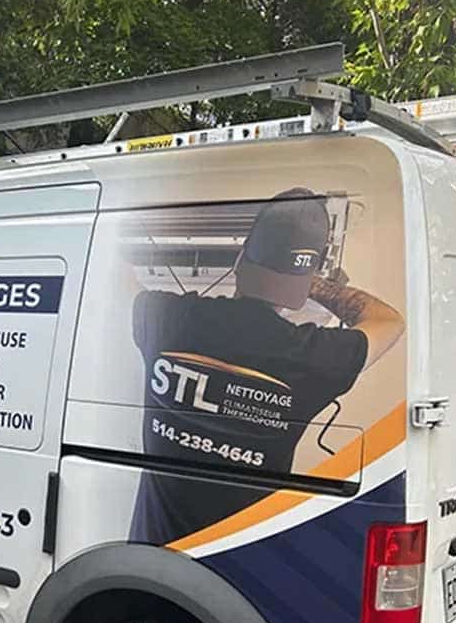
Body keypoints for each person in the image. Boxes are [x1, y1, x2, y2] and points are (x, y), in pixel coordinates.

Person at [129, 188, 405, 544]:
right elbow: (389, 321)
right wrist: (314, 284)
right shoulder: (313, 358)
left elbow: (109, 275)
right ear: (304, 281)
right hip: (240, 558)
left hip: (149, 557)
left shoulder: (166, 317)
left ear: (241, 258)